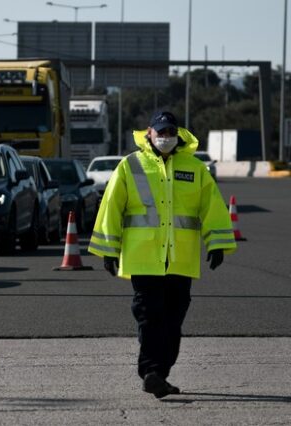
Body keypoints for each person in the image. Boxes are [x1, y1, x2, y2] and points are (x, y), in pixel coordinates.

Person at [88, 110, 237, 398]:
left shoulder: (194, 169)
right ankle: (151, 372)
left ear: (177, 134)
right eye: (161, 132)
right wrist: (108, 250)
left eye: (170, 132)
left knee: (173, 321)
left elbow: (212, 208)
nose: (165, 137)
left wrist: (217, 243)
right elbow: (111, 207)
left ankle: (159, 374)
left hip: (180, 259)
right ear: (149, 133)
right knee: (150, 317)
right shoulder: (130, 166)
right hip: (143, 259)